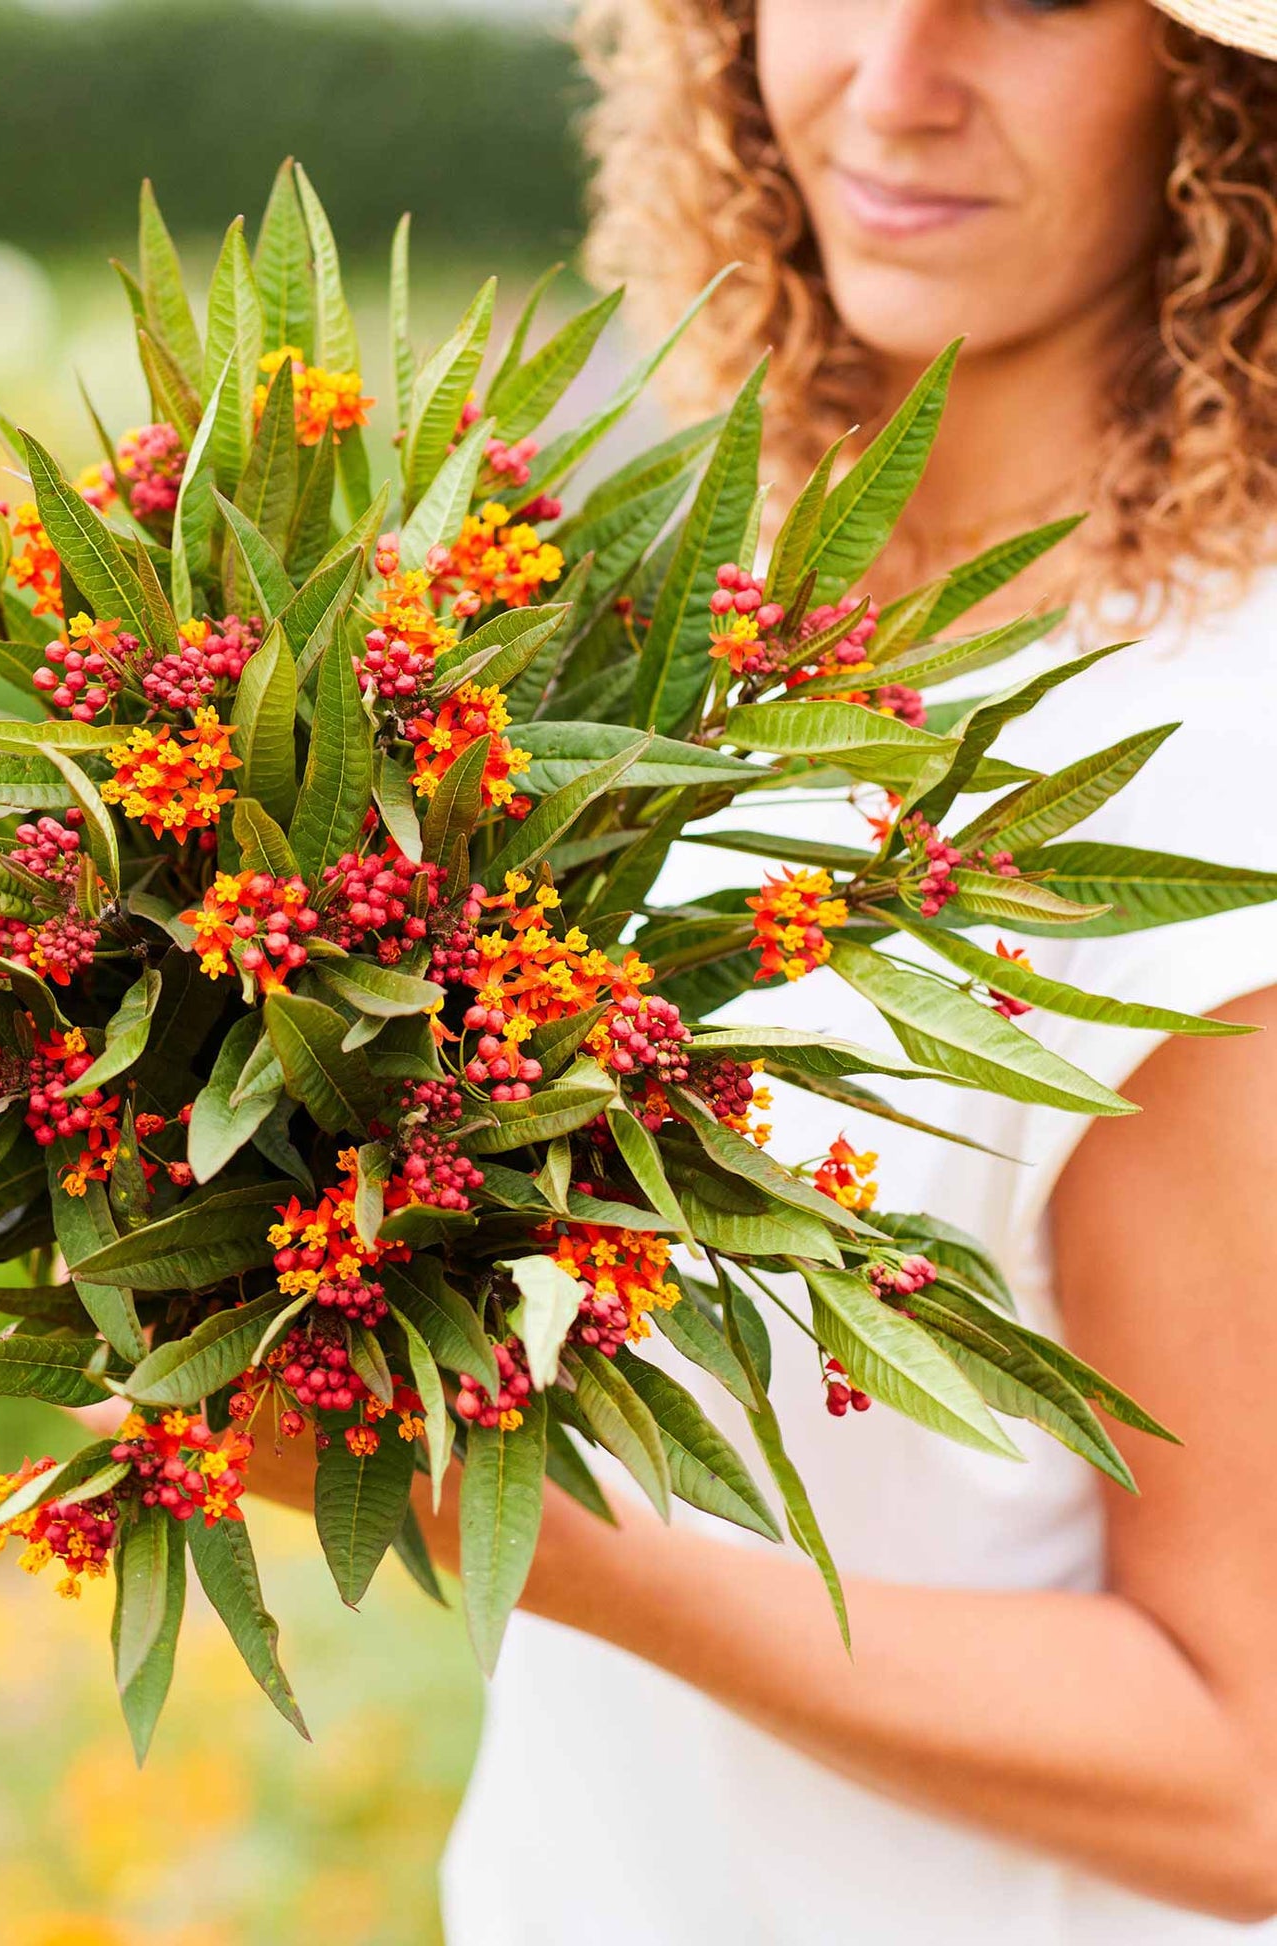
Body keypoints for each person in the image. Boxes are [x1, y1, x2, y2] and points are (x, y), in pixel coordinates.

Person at [217, 0, 1277, 1937]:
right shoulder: (712, 626)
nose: (893, 75)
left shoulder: (1210, 783)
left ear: (1219, 92)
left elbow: (1251, 1770)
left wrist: (496, 1498)